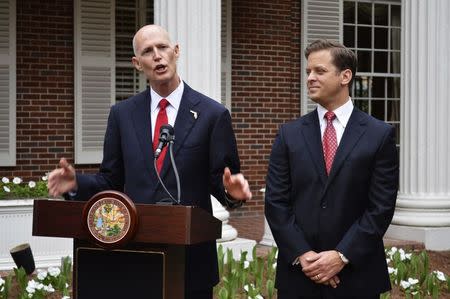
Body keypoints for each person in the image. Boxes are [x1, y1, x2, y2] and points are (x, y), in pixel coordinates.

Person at [48, 24, 252, 299]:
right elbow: (111, 180)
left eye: (163, 47)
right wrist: (76, 184)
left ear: (176, 52)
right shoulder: (122, 115)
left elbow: (223, 181)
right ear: (137, 63)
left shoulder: (212, 115)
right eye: (148, 51)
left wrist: (232, 192)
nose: (157, 55)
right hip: (135, 254)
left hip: (191, 262)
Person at [264, 39, 399, 298]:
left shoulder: (379, 135)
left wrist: (341, 255)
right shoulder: (288, 134)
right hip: (299, 276)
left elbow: (380, 207)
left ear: (345, 76)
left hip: (356, 277)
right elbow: (276, 202)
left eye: (320, 71)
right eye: (308, 72)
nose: (310, 78)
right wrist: (304, 255)